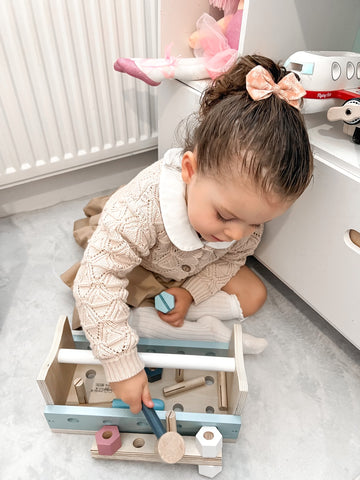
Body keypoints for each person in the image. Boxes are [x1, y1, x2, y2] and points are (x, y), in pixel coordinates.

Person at [73, 54, 313, 414]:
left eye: (254, 223)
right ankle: (148, 323)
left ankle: (172, 314)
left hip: (191, 266)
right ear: (189, 169)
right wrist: (121, 364)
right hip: (145, 259)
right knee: (97, 301)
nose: (238, 232)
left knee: (254, 293)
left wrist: (188, 293)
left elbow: (232, 257)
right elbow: (97, 276)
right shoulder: (141, 209)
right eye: (226, 216)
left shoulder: (239, 226)